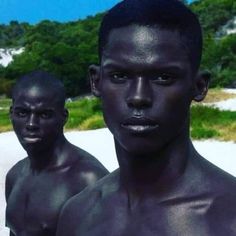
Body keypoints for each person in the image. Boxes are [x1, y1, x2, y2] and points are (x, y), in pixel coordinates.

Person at [56, 0, 236, 235]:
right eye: (119, 75)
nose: (138, 97)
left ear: (199, 86)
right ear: (96, 81)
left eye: (163, 77)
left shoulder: (229, 218)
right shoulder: (77, 214)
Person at [5, 70, 108, 236]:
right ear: (11, 114)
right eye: (22, 113)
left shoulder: (89, 181)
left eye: (44, 114)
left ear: (64, 117)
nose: (31, 124)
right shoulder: (14, 176)